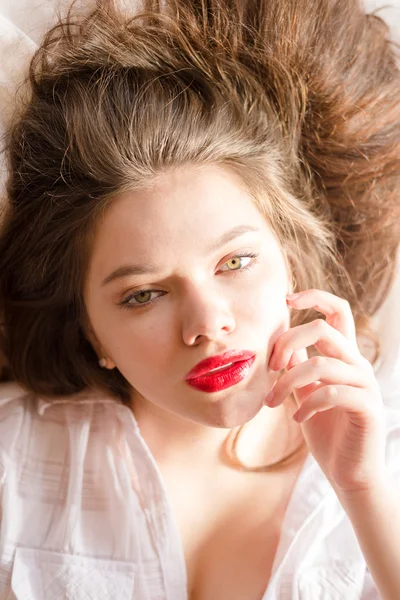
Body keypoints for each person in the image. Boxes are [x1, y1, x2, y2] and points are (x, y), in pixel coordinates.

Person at [0, 0, 399, 598]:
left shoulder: (383, 455)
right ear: (90, 330)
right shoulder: (12, 461)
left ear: (290, 257)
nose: (208, 324)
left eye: (234, 262)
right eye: (144, 295)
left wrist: (365, 490)